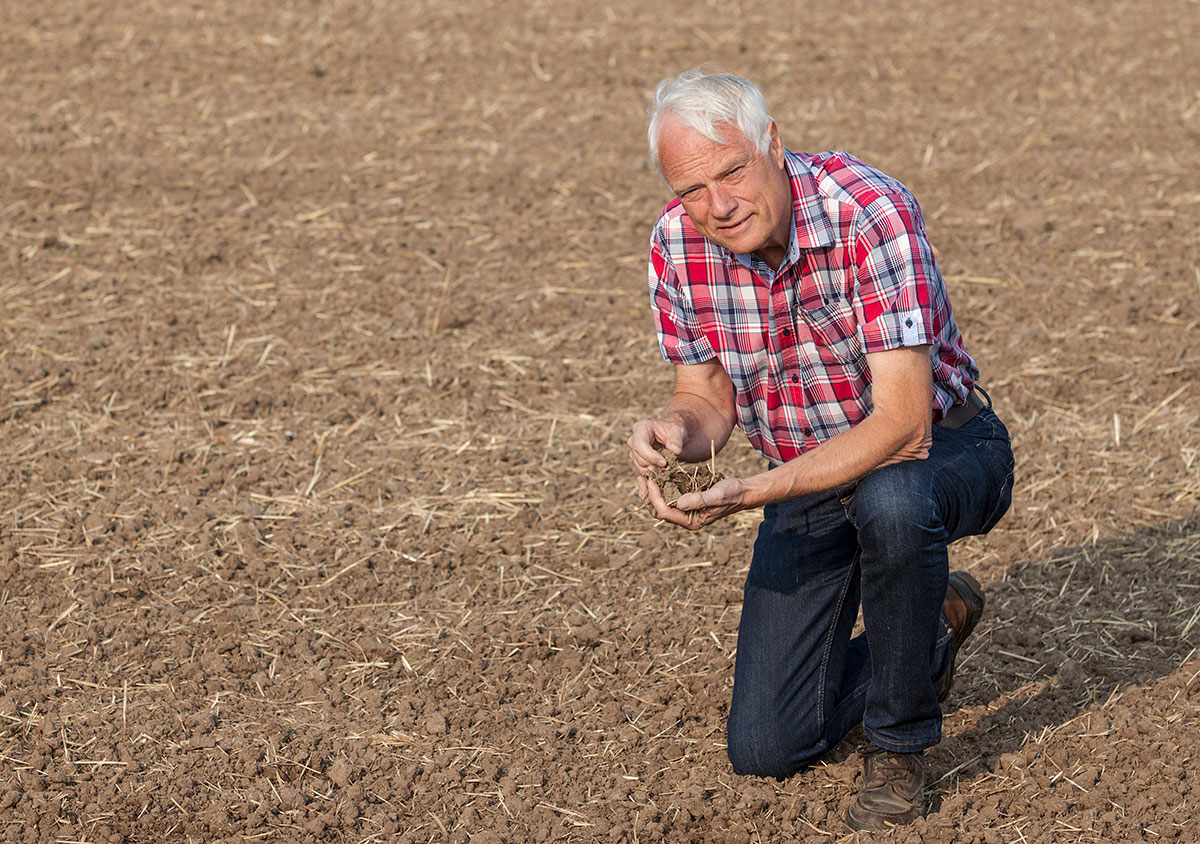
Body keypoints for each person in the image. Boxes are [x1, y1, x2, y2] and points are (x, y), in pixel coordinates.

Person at [627, 68, 1015, 831]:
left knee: (892, 500)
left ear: (772, 143)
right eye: (692, 189)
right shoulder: (676, 243)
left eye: (732, 172)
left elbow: (903, 426)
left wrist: (750, 492)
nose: (719, 204)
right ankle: (930, 616)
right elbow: (706, 395)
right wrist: (675, 430)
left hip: (942, 448)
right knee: (767, 747)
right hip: (808, 480)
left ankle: (898, 747)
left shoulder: (868, 210)